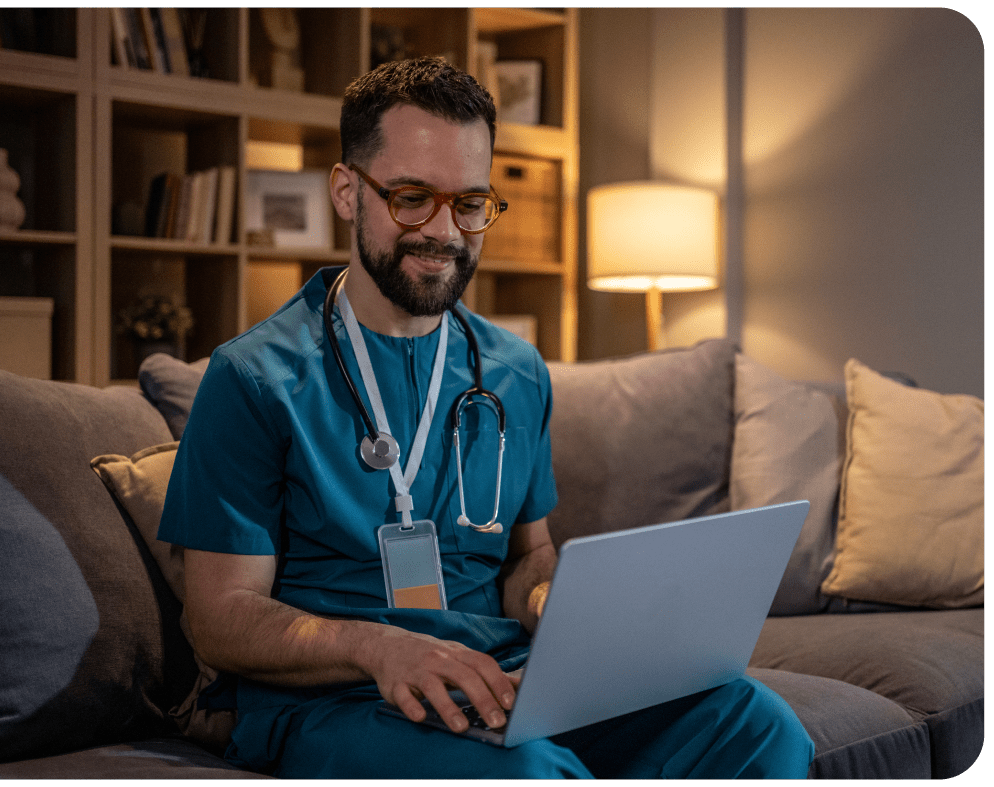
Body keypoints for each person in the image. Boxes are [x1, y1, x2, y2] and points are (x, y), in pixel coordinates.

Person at [158, 56, 814, 779]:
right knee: (529, 773)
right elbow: (217, 618)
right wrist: (379, 646)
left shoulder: (514, 368)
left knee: (755, 725)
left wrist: (553, 605)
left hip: (503, 674)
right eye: (412, 197)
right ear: (347, 192)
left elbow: (527, 553)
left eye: (469, 203)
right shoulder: (253, 376)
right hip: (339, 699)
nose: (444, 231)